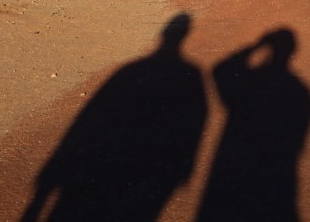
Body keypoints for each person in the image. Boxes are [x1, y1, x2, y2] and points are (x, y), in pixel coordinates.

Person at [20, 13, 207, 222]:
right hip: (149, 169)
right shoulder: (190, 73)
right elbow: (195, 122)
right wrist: (185, 165)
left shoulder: (130, 70)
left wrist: (50, 178)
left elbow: (87, 118)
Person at [197, 28, 310, 222]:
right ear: (292, 52)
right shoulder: (300, 92)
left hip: (235, 175)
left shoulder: (249, 83)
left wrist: (255, 46)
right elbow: (298, 142)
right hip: (276, 180)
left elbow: (221, 70)